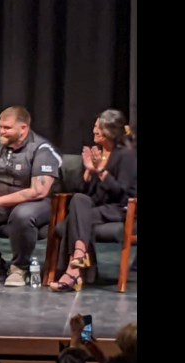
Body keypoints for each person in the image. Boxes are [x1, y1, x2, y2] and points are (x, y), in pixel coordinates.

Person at [0, 105, 61, 287]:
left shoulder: (42, 150)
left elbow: (38, 191)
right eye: (0, 126)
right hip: (0, 203)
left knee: (22, 214)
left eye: (7, 128)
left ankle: (20, 267)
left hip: (36, 204)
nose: (1, 131)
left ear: (23, 128)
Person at [50, 109, 137, 292]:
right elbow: (84, 193)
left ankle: (73, 272)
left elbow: (121, 192)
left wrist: (101, 171)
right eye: (95, 126)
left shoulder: (126, 156)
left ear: (111, 132)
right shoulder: (96, 154)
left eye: (99, 127)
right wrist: (89, 172)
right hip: (97, 208)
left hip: (120, 209)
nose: (94, 131)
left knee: (67, 224)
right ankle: (79, 259)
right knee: (80, 200)